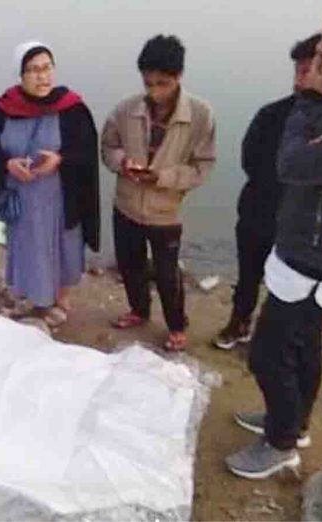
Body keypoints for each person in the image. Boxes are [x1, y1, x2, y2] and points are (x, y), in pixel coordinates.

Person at [226, 0, 322, 479]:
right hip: (312, 250)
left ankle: (281, 443)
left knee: (268, 353)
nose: (321, 47)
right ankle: (293, 422)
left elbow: (292, 165)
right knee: (304, 346)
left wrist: (309, 100)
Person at [101, 35, 216, 351]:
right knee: (130, 265)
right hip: (126, 205)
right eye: (148, 83)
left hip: (165, 212)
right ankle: (139, 310)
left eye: (162, 84)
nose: (154, 92)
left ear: (179, 76)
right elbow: (108, 146)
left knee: (167, 274)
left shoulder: (200, 115)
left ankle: (176, 325)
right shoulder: (126, 109)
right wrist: (122, 162)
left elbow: (202, 166)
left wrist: (162, 177)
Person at [213, 33, 322, 350]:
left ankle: (276, 339)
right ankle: (239, 323)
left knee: (289, 289)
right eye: (297, 71)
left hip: (303, 228)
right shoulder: (271, 114)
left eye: (307, 71)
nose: (299, 80)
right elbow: (249, 159)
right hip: (258, 213)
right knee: (248, 276)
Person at [0, 42, 100, 326]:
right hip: (22, 196)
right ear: (20, 75)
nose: (42, 76)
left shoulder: (72, 108)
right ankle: (33, 298)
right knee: (27, 247)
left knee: (64, 247)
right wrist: (7, 164)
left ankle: (61, 300)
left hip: (60, 195)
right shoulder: (4, 107)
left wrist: (60, 159)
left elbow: (86, 150)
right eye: (33, 70)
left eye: (47, 68)